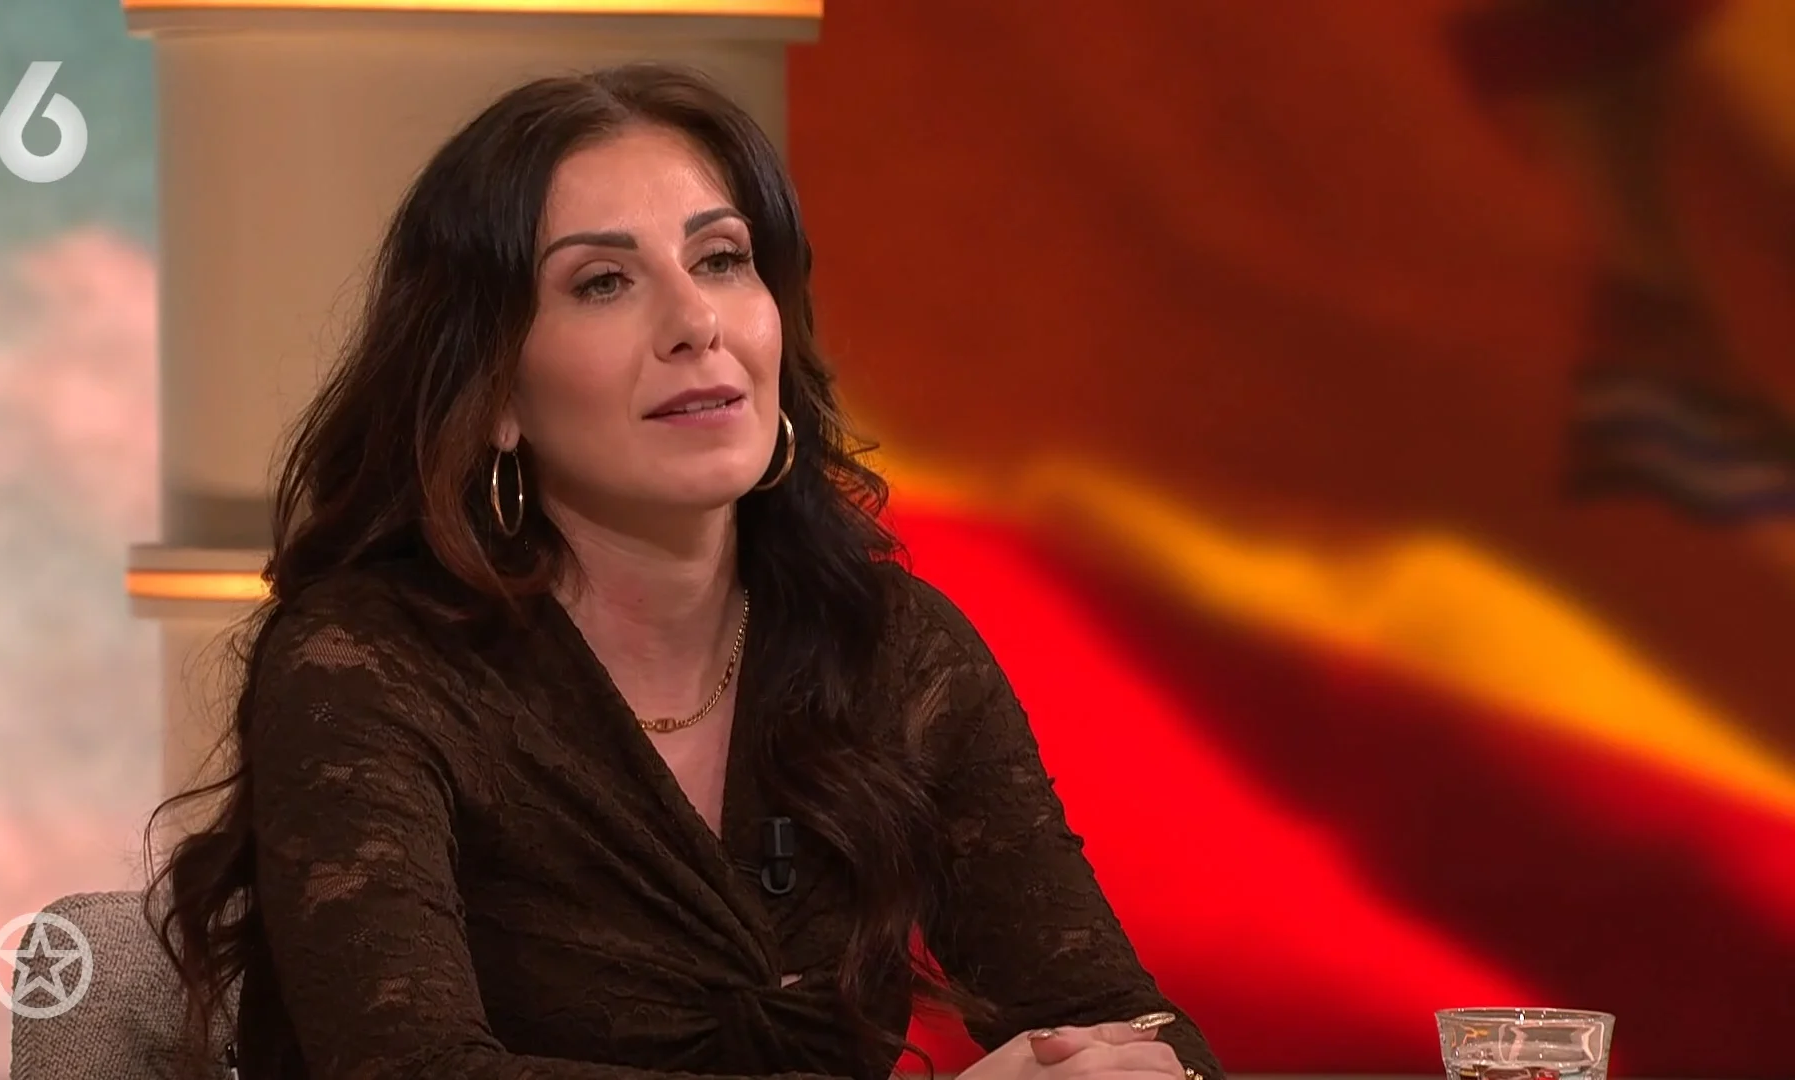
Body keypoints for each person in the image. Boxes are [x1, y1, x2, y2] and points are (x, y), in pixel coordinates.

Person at [146, 63, 1221, 1080]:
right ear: (497, 393)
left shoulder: (889, 646)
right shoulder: (367, 666)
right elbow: (407, 1072)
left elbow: (1116, 1017)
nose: (696, 323)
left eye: (721, 260)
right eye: (604, 282)